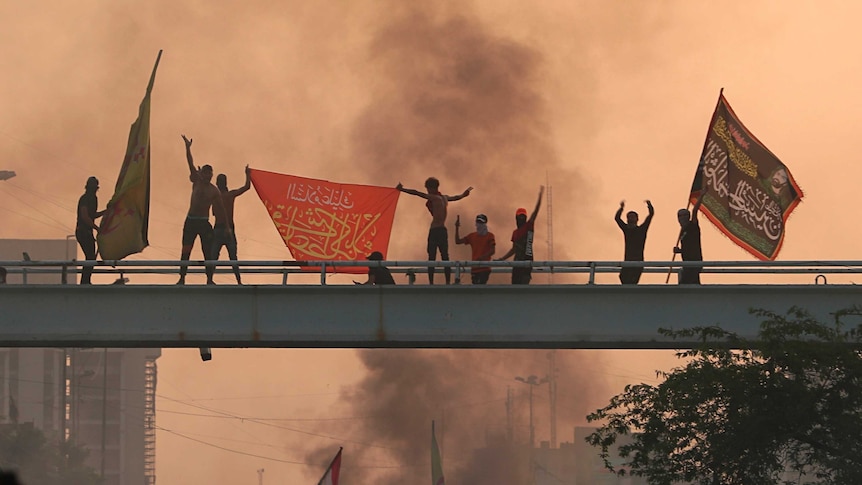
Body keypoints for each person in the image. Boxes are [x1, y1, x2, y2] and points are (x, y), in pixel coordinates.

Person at [396, 178, 473, 284]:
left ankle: (431, 282)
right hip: (442, 229)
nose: (427, 191)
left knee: (432, 257)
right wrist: (464, 195)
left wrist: (403, 189)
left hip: (435, 230)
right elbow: (456, 197)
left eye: (428, 189)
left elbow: (417, 193)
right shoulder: (444, 198)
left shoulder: (434, 197)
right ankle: (447, 282)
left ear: (431, 188)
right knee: (445, 256)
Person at [178, 134, 229, 285]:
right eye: (205, 173)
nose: (207, 176)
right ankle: (182, 278)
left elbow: (221, 210)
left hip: (204, 222)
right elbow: (190, 163)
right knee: (186, 250)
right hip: (191, 220)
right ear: (202, 174)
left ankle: (209, 279)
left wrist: (227, 227)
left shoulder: (214, 191)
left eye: (209, 174)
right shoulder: (197, 182)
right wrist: (188, 148)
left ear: (212, 175)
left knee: (208, 252)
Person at [497, 186, 544, 284]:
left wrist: (540, 198)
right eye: (520, 216)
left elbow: (535, 212)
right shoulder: (515, 233)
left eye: (523, 216)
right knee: (515, 285)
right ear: (516, 218)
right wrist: (502, 259)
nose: (521, 218)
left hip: (527, 260)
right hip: (517, 262)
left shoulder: (529, 226)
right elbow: (513, 249)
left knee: (524, 285)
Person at [212, 165, 251, 284]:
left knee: (214, 256)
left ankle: (210, 279)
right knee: (232, 257)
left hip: (220, 228)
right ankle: (238, 281)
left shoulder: (215, 196)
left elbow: (246, 187)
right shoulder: (228, 195)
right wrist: (247, 174)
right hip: (226, 229)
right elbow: (246, 187)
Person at [614, 200, 654, 284]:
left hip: (638, 262)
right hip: (628, 261)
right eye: (629, 217)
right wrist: (621, 208)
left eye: (632, 217)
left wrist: (649, 205)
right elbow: (617, 218)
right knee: (623, 277)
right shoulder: (626, 230)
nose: (630, 219)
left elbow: (650, 216)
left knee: (632, 282)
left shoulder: (641, 230)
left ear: (637, 219)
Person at [75, 176, 106, 284]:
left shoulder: (94, 199)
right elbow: (85, 216)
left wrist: (105, 212)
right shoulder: (85, 198)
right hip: (82, 231)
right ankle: (85, 282)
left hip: (88, 231)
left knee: (91, 257)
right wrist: (96, 228)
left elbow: (92, 215)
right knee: (90, 256)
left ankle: (86, 280)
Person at [455, 214, 496, 284]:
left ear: (485, 223)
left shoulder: (490, 236)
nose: (479, 224)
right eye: (478, 222)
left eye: (481, 222)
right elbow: (458, 241)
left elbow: (492, 250)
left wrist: (482, 257)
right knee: (475, 287)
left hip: (484, 268)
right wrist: (456, 227)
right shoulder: (472, 236)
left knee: (481, 287)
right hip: (474, 268)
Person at [674, 194, 704, 284]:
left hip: (694, 262)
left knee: (684, 284)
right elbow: (687, 248)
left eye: (685, 215)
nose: (682, 218)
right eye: (680, 216)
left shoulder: (693, 226)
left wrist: (701, 195)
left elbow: (695, 211)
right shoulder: (682, 231)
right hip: (687, 263)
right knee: (693, 284)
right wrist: (679, 251)